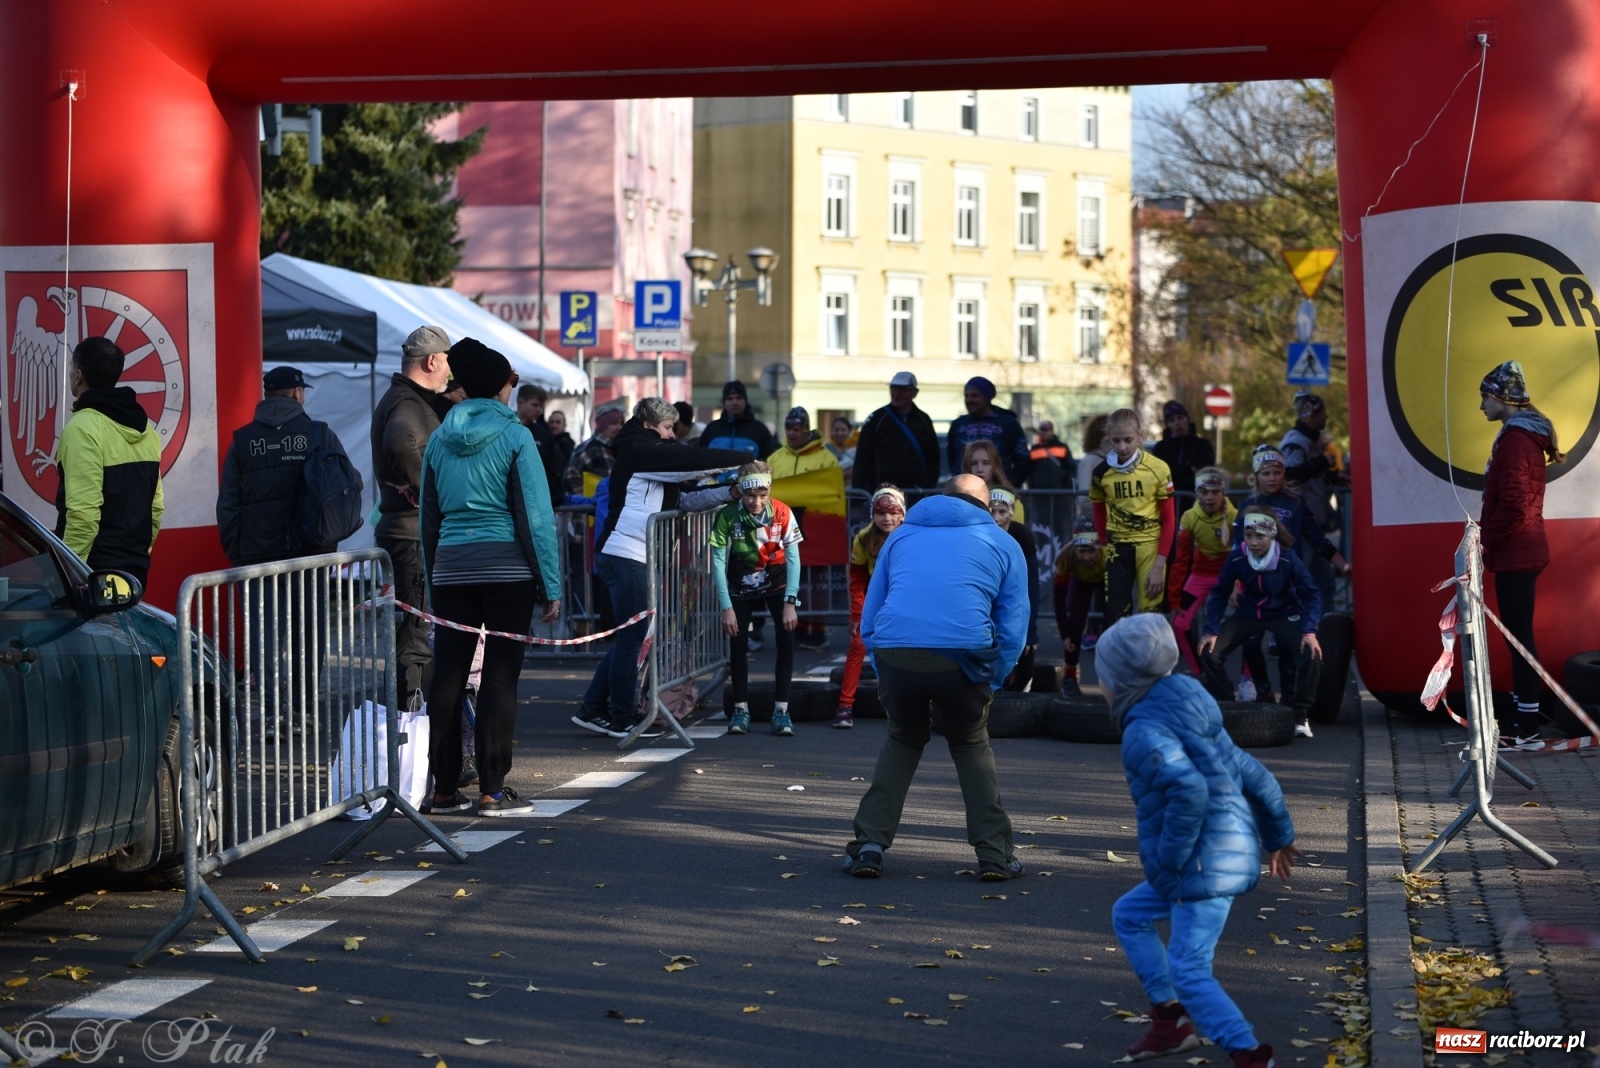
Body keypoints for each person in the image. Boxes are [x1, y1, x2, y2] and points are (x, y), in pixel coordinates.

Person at [1096, 612, 1297, 1068]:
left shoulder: (1143, 731)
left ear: (1124, 681)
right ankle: (1170, 1024)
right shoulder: (1193, 709)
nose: (1101, 685)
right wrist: (1278, 837)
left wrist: (1168, 863)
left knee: (1188, 969)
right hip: (1225, 852)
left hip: (1199, 865)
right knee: (1129, 914)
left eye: (1104, 676)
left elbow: (1190, 791)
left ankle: (1248, 1054)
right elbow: (1255, 774)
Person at [841, 473, 1029, 882]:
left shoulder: (901, 536)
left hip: (896, 649)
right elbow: (1013, 627)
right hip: (961, 654)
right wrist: (992, 679)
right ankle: (994, 853)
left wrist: (881, 661)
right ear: (983, 505)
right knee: (970, 741)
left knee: (902, 737)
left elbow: (871, 613)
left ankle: (869, 844)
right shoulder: (1002, 542)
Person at [417, 339, 560, 816]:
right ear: (500, 387)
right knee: (499, 677)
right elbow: (534, 516)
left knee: (448, 676)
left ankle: (443, 790)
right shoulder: (517, 436)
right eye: (510, 382)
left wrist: (436, 579)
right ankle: (492, 790)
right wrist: (550, 584)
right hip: (507, 571)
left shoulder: (439, 438)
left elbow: (428, 520)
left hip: (453, 568)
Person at [574, 398, 750, 738]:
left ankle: (593, 708)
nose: (672, 437)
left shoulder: (648, 456)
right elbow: (691, 461)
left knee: (629, 637)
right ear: (647, 424)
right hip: (628, 554)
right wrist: (745, 460)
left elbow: (684, 501)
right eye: (668, 428)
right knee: (633, 639)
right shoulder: (641, 452)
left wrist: (730, 491)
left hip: (632, 554)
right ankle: (623, 718)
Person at [1478, 360, 1563, 746]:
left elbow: (1513, 504)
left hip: (1517, 550)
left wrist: (1485, 541)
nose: (1481, 406)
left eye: (1485, 397)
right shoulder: (1520, 438)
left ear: (1501, 398)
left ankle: (1527, 726)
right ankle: (1523, 718)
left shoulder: (1514, 442)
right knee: (1518, 637)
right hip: (1520, 549)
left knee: (1520, 640)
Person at [372, 325, 451, 703]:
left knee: (412, 629)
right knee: (414, 634)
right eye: (447, 362)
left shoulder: (403, 398)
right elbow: (400, 442)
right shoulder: (407, 403)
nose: (449, 373)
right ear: (432, 360)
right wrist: (427, 488)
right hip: (409, 534)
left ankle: (408, 715)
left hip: (403, 531)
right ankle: (408, 718)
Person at [1199, 508, 1323, 738]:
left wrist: (1310, 631)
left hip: (1283, 613)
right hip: (1249, 613)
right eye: (1248, 536)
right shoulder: (1237, 556)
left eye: (1260, 537)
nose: (1253, 542)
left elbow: (1311, 594)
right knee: (1209, 651)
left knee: (1311, 653)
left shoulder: (1287, 557)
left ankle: (1301, 715)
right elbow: (1219, 592)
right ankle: (1228, 705)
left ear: (1272, 535)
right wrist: (1211, 630)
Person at [54, 337, 164, 587]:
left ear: (78, 375)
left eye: (72, 367)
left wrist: (70, 574)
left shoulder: (81, 428)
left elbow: (83, 514)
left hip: (92, 573)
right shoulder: (147, 431)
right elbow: (155, 508)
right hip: (135, 570)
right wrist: (139, 554)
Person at [710, 460, 803, 736]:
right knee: (737, 642)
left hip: (776, 580)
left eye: (763, 496)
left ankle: (782, 710)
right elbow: (716, 562)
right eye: (750, 496)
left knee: (786, 638)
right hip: (741, 582)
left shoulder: (783, 512)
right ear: (740, 491)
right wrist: (726, 607)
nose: (757, 502)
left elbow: (795, 558)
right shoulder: (727, 515)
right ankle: (741, 709)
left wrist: (790, 602)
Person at [218, 366, 347, 559]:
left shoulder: (242, 441)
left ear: (267, 394)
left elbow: (228, 504)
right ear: (296, 393)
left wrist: (238, 553)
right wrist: (329, 542)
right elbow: (342, 489)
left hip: (257, 558)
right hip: (312, 555)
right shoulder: (320, 435)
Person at [1089, 408, 1176, 626]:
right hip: (1117, 550)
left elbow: (1169, 518)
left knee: (1151, 618)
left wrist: (1159, 566)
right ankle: (1121, 660)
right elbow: (1099, 511)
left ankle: (1150, 661)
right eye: (1116, 440)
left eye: (1128, 440)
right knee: (1117, 619)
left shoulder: (1158, 468)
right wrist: (1104, 546)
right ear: (1108, 437)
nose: (1122, 447)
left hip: (1150, 549)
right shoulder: (1101, 472)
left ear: (1140, 434)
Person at [767, 406, 842, 650]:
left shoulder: (826, 458)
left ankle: (815, 629)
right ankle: (792, 628)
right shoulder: (775, 458)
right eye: (788, 427)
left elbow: (834, 492)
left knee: (815, 582)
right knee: (787, 580)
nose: (792, 432)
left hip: (815, 531)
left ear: (807, 428)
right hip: (785, 530)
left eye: (797, 427)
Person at [836, 485, 905, 729]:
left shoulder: (911, 534)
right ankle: (845, 705)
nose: (887, 518)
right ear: (872, 514)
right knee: (857, 644)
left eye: (893, 512)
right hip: (876, 601)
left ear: (903, 513)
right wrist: (857, 613)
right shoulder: (864, 537)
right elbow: (856, 579)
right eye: (880, 513)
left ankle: (908, 706)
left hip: (906, 601)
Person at [1166, 467, 1237, 676]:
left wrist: (1239, 585)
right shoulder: (1189, 517)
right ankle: (1199, 672)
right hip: (1200, 573)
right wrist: (1174, 599)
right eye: (1204, 492)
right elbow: (1180, 559)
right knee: (1179, 623)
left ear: (1223, 493)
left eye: (1215, 491)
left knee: (1250, 625)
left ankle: (1248, 677)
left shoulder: (1235, 515)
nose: (1210, 497)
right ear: (1197, 493)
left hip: (1230, 574)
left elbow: (1243, 555)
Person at [1278, 392, 1342, 609]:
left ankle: (1326, 631)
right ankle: (1287, 631)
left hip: (1314, 522)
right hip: (1300, 523)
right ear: (1309, 415)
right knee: (1297, 579)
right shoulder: (1295, 442)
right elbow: (1290, 474)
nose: (1326, 416)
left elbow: (1313, 476)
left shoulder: (1312, 441)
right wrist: (1322, 462)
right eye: (1321, 412)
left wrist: (1335, 476)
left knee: (1325, 582)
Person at [853, 370, 940, 491]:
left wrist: (928, 485)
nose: (896, 393)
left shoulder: (924, 420)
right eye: (893, 389)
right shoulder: (876, 419)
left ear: (914, 393)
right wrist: (860, 492)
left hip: (917, 493)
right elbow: (862, 458)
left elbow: (933, 458)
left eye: (902, 390)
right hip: (883, 493)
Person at [988, 487, 1038, 691]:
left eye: (1001, 512)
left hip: (1016, 597)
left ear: (1012, 512)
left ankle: (1023, 689)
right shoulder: (980, 535)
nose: (996, 517)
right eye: (991, 511)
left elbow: (1033, 584)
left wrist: (1032, 631)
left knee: (1025, 646)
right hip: (991, 597)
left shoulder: (1022, 535)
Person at [1052, 527, 1110, 698]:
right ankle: (1069, 678)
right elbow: (1058, 598)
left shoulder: (1109, 554)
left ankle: (1114, 677)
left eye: (1091, 551)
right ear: (1075, 548)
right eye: (1081, 551)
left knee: (1113, 624)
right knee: (1075, 623)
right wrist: (1065, 635)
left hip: (1106, 577)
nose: (1086, 557)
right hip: (1080, 578)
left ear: (1099, 548)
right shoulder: (1065, 557)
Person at [946, 376, 1031, 486]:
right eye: (966, 396)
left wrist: (1011, 486)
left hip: (1000, 492)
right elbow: (951, 458)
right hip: (965, 491)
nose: (969, 400)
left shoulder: (1008, 423)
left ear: (986, 398)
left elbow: (1023, 460)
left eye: (974, 396)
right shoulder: (957, 425)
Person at [1151, 400, 1216, 502]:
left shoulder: (1202, 445)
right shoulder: (1161, 448)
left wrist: (1175, 474)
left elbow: (1205, 474)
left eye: (1180, 418)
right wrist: (1188, 470)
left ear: (1187, 419)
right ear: (1168, 425)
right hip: (1169, 503)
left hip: (1196, 503)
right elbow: (1159, 478)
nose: (1177, 423)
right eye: (1172, 420)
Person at [516, 383, 565, 506]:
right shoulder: (505, 428)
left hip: (536, 499)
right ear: (520, 402)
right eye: (534, 405)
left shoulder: (543, 434)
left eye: (541, 406)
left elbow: (554, 468)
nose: (539, 410)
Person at [699, 380, 776, 458]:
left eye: (738, 398)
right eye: (730, 398)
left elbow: (769, 461)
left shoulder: (759, 430)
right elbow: (700, 459)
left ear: (745, 401)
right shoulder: (712, 429)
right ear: (724, 402)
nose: (734, 402)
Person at [563, 405, 625, 497]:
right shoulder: (590, 447)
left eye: (621, 423)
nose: (619, 427)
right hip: (593, 509)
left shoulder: (620, 448)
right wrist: (586, 501)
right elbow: (570, 476)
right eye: (614, 423)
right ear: (603, 425)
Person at [961, 439, 1026, 523]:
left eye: (986, 463)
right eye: (974, 463)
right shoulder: (958, 499)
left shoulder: (1012, 501)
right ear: (967, 467)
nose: (980, 469)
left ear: (995, 466)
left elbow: (1017, 533)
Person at [1026, 420, 1075, 490]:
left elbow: (1071, 468)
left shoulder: (1062, 448)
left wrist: (1066, 485)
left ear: (1051, 431)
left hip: (1060, 490)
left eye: (1046, 430)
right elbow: (1029, 469)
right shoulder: (1034, 449)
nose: (1044, 432)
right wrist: (1031, 485)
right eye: (1042, 430)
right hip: (1038, 491)